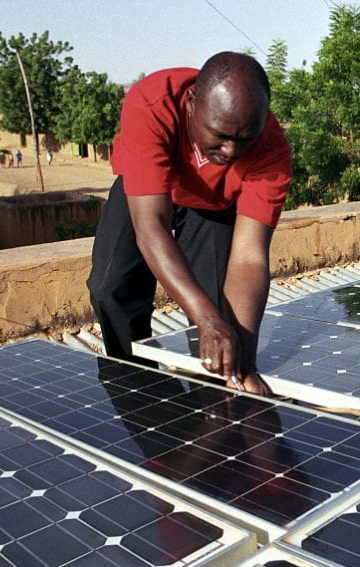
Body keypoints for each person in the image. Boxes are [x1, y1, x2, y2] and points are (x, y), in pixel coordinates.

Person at [87, 52, 292, 396]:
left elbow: (250, 257)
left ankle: (216, 391)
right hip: (147, 191)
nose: (231, 151)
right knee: (111, 288)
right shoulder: (152, 102)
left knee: (217, 310)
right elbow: (151, 226)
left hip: (214, 202)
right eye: (220, 135)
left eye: (245, 139)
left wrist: (244, 364)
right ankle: (136, 384)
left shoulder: (271, 150)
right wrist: (206, 320)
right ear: (192, 103)